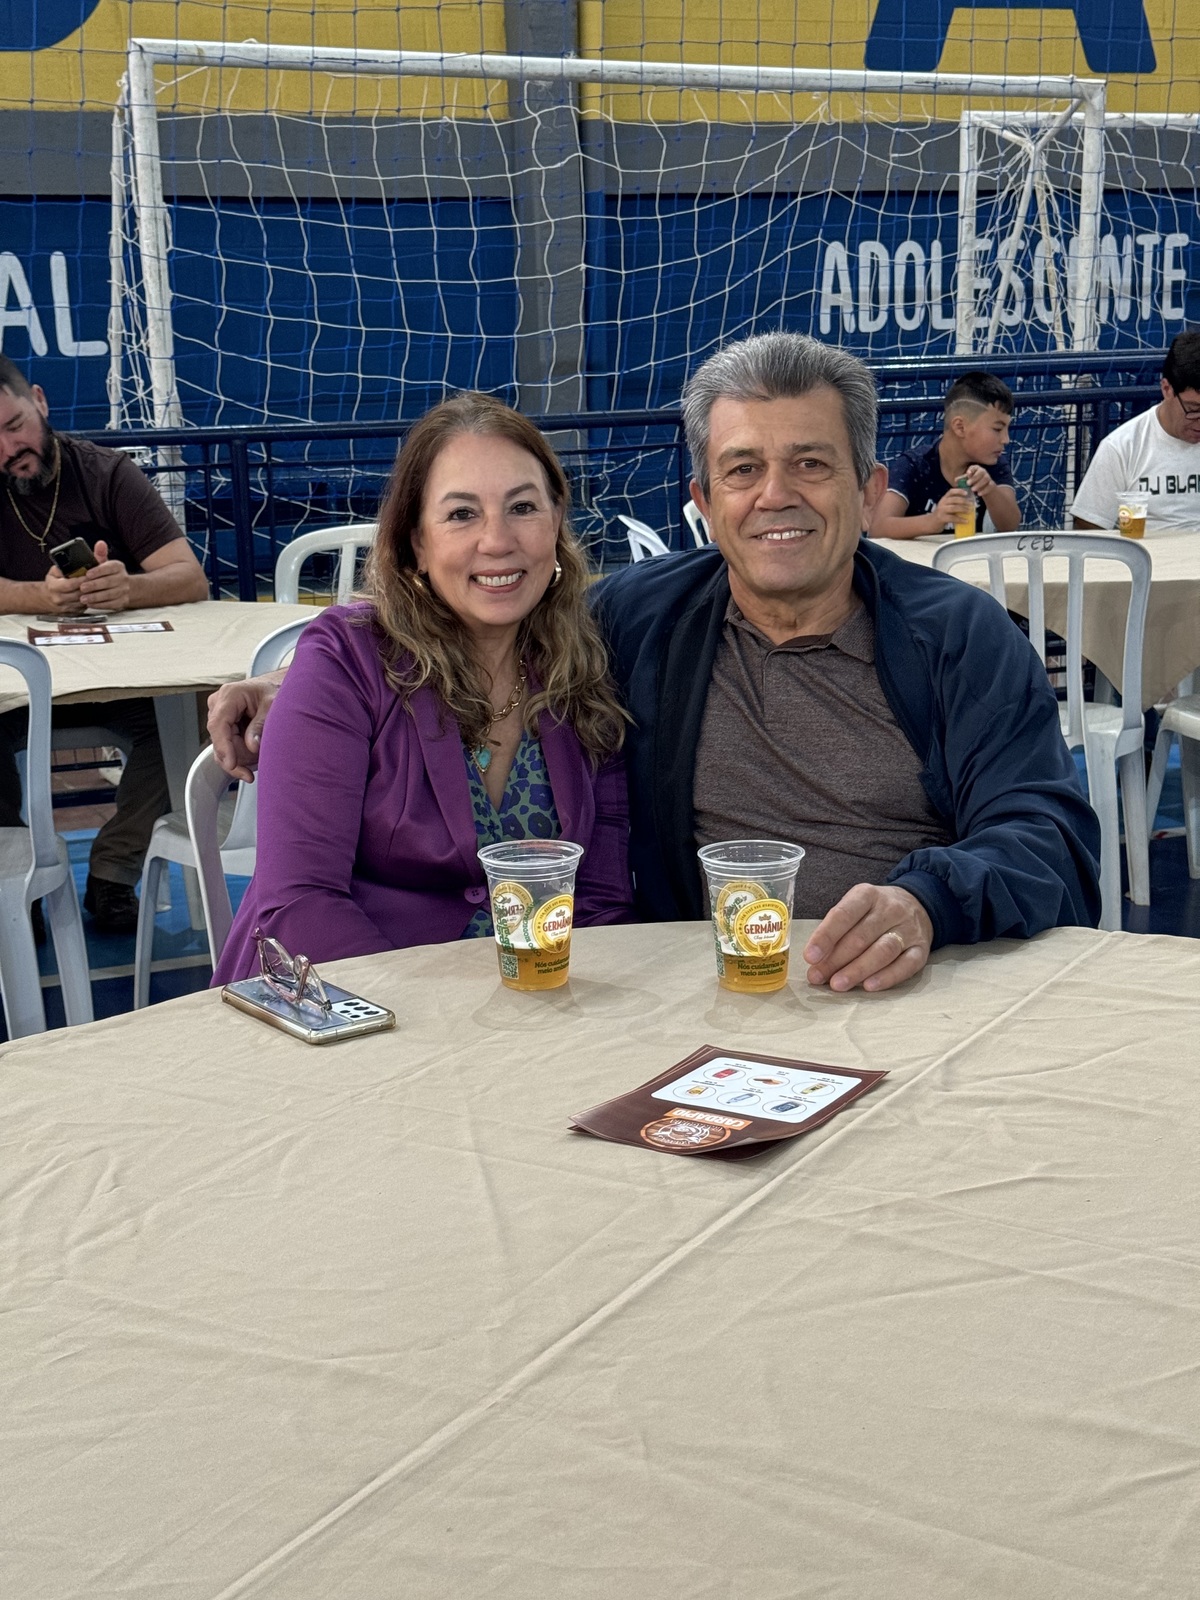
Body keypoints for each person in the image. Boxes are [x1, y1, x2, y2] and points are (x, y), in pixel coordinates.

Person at [211, 337, 1101, 994]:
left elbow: (1054, 843)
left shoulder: (960, 637)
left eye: (810, 464)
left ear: (868, 489)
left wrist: (929, 905)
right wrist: (297, 691)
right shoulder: (643, 621)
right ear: (704, 501)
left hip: (906, 991)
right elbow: (454, 636)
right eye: (742, 469)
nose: (775, 495)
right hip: (703, 1001)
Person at [212, 393, 631, 981]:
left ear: (556, 521)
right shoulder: (345, 661)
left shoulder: (581, 668)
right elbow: (299, 904)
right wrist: (440, 1023)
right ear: (417, 543)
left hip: (532, 1008)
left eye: (523, 507)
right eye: (461, 514)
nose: (497, 540)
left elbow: (602, 903)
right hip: (344, 1002)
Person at [0, 358, 209, 934]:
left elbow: (189, 577)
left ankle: (113, 872)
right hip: (17, 694)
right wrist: (40, 598)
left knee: (192, 714)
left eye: (15, 424)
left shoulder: (106, 472)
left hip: (119, 685)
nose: (9, 448)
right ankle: (15, 884)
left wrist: (129, 587)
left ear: (40, 401)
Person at [1072, 330, 1200, 532]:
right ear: (1167, 389)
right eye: (1193, 410)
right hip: (1150, 551)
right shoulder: (1122, 447)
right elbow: (1089, 526)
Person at [870, 371, 1021, 540]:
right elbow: (878, 528)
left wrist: (990, 490)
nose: (1006, 439)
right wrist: (933, 521)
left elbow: (1010, 525)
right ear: (960, 427)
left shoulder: (994, 465)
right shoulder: (914, 464)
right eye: (998, 429)